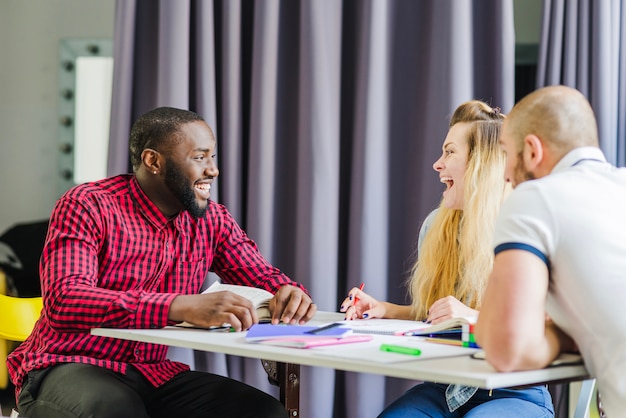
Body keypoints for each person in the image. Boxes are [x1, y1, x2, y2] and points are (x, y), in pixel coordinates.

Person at [7, 107, 317, 418]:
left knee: (264, 413)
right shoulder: (88, 205)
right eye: (200, 157)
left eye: (213, 157)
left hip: (153, 373)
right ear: (153, 161)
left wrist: (287, 292)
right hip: (69, 363)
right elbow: (67, 301)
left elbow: (261, 275)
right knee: (115, 410)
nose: (213, 169)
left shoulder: (213, 220)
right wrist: (179, 306)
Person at [341, 100, 554, 417]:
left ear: (481, 163)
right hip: (445, 388)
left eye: (450, 152)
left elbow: (555, 326)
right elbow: (440, 318)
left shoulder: (528, 229)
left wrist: (475, 318)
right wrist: (384, 309)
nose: (437, 164)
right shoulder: (436, 227)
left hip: (513, 388)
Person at [475, 85, 626, 416]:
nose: (504, 175)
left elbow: (506, 349)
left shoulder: (535, 198)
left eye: (505, 154)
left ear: (531, 151)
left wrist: (562, 335)